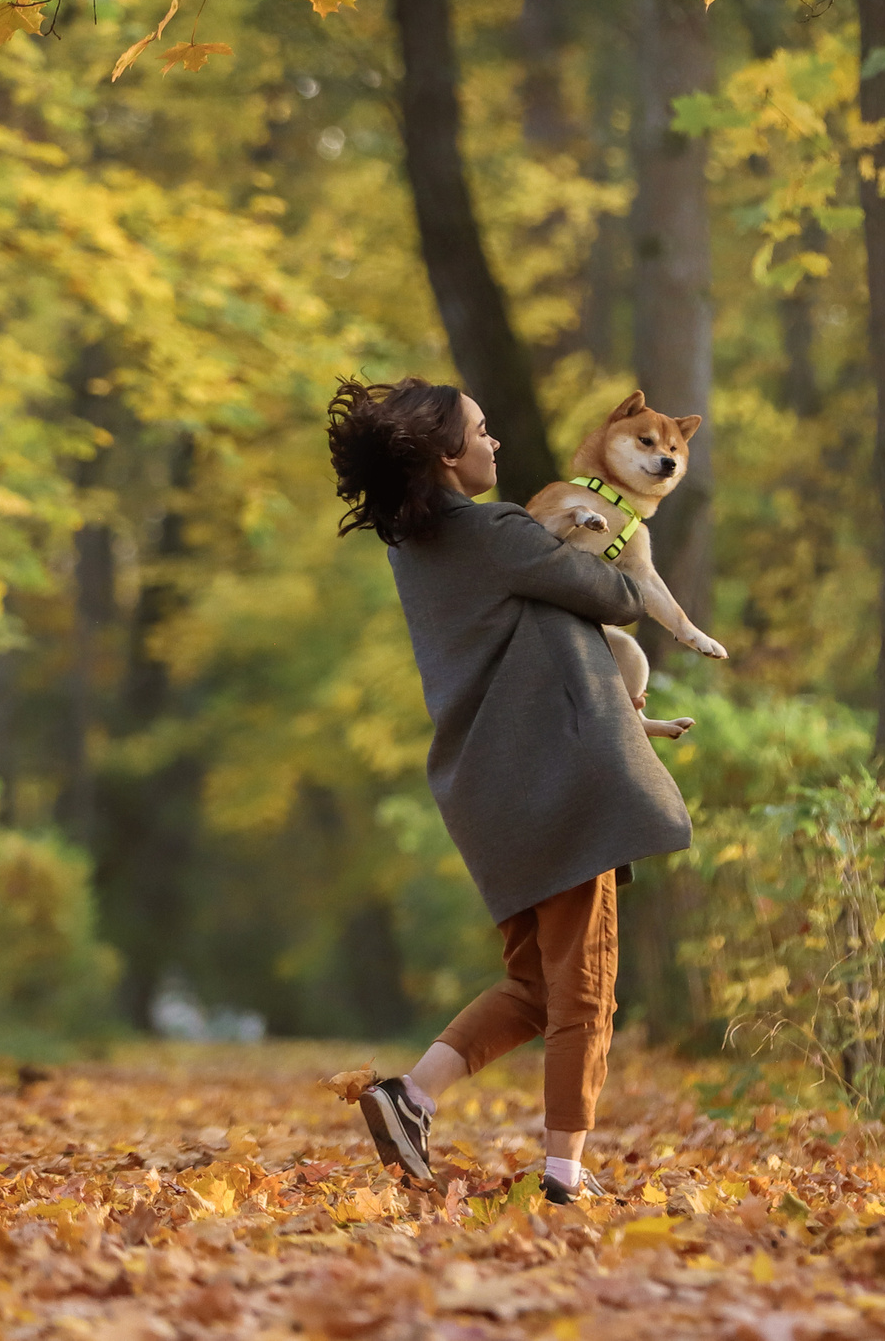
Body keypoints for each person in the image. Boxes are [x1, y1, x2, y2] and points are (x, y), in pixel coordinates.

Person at [324, 375, 693, 1204]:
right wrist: (612, 532)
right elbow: (618, 597)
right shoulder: (498, 534)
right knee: (587, 986)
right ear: (446, 455)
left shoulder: (415, 550)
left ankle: (409, 1097)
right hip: (559, 784)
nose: (497, 444)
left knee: (534, 985)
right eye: (482, 432)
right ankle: (566, 1173)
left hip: (490, 790)